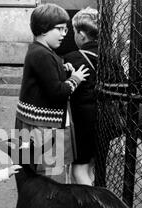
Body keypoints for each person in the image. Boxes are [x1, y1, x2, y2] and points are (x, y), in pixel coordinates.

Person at [15, 3, 89, 184]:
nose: (65, 33)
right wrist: (75, 79)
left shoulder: (40, 51)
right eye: (60, 29)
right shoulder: (42, 55)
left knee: (31, 171)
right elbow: (57, 92)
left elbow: (46, 78)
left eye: (65, 29)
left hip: (35, 124)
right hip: (42, 127)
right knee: (48, 179)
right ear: (43, 29)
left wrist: (62, 70)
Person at [62, 7, 98, 185]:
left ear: (82, 35)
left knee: (79, 169)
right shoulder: (110, 57)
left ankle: (93, 207)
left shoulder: (72, 58)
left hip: (82, 122)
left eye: (74, 32)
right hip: (106, 120)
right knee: (92, 166)